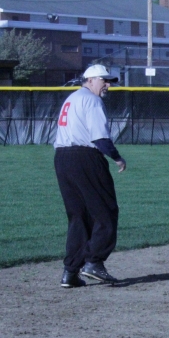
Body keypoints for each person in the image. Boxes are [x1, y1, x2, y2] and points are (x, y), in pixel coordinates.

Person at [54, 64, 127, 288]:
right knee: (106, 211)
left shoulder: (72, 98)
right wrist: (117, 157)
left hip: (62, 158)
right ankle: (94, 262)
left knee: (79, 216)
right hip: (86, 157)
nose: (108, 85)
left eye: (109, 81)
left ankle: (70, 272)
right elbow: (99, 137)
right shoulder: (92, 100)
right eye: (104, 80)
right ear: (90, 80)